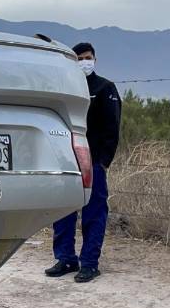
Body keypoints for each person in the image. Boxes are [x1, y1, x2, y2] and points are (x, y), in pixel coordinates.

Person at [45, 42, 121, 282]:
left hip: (94, 161)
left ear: (94, 59)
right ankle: (66, 258)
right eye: (78, 58)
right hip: (67, 161)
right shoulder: (65, 89)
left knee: (94, 212)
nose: (83, 62)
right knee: (63, 211)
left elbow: (112, 128)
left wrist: (104, 162)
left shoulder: (105, 88)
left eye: (87, 58)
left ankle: (89, 263)